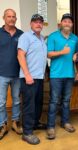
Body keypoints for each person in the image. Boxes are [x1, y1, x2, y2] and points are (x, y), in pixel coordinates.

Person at [47, 13, 78, 140]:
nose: (67, 23)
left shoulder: (75, 38)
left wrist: (77, 66)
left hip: (70, 74)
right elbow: (49, 54)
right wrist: (62, 52)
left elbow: (76, 53)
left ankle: (65, 122)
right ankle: (50, 126)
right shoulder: (53, 36)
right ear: (61, 23)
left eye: (69, 22)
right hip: (56, 75)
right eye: (65, 21)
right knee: (54, 101)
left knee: (66, 101)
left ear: (72, 24)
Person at [17, 14, 47, 145]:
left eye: (40, 22)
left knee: (38, 102)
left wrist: (44, 73)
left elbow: (41, 58)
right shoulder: (25, 37)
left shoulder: (41, 39)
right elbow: (20, 55)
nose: (38, 24)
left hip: (39, 77)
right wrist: (27, 74)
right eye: (35, 22)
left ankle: (35, 123)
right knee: (29, 105)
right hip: (29, 77)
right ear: (31, 24)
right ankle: (27, 132)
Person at [0, 9, 23, 140]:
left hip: (17, 74)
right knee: (1, 102)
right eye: (9, 16)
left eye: (13, 16)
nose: (11, 18)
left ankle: (15, 122)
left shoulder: (21, 34)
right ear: (4, 18)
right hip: (1, 74)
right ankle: (2, 124)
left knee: (17, 100)